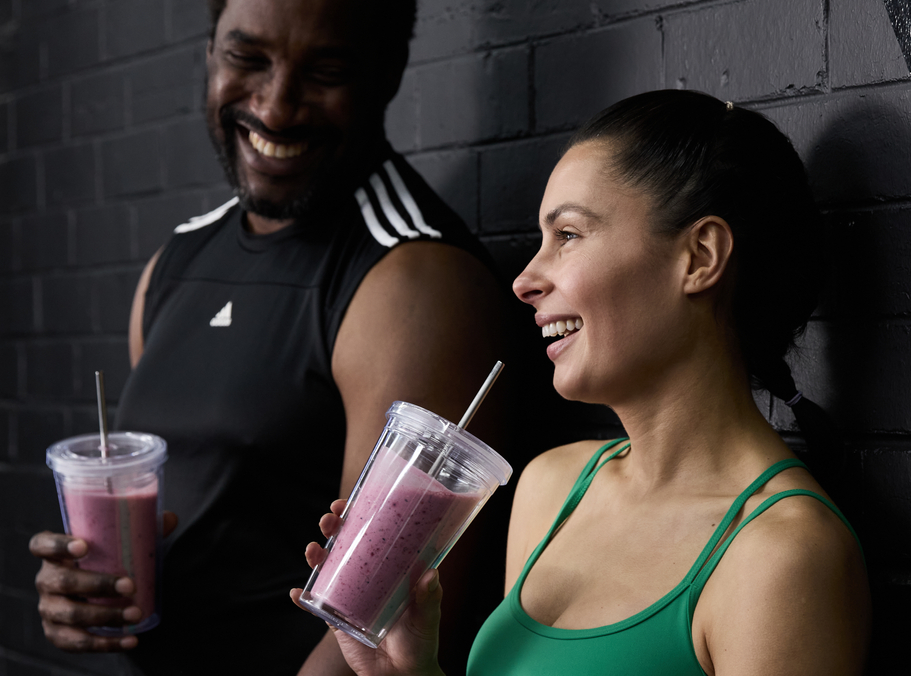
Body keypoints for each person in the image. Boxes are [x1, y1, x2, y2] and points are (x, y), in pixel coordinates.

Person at [27, 0, 509, 676]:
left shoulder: (412, 280)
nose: (275, 106)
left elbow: (373, 641)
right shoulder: (176, 262)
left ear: (384, 77)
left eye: (324, 71)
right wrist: (91, 588)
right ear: (210, 51)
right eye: (246, 58)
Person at [294, 90, 871, 675]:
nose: (524, 280)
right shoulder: (550, 489)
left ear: (699, 257)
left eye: (567, 235)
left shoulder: (782, 554)